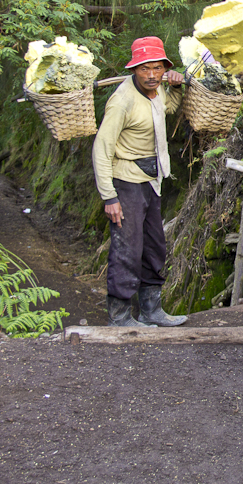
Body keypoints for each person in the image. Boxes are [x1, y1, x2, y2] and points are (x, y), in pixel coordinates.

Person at [92, 37, 189, 328]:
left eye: (157, 68)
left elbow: (166, 109)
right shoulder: (122, 101)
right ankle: (120, 317)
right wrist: (109, 197)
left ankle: (151, 310)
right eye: (144, 68)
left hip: (151, 180)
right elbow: (102, 147)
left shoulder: (156, 91)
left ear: (164, 69)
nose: (151, 75)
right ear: (134, 69)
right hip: (125, 182)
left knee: (154, 246)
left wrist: (175, 86)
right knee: (128, 248)